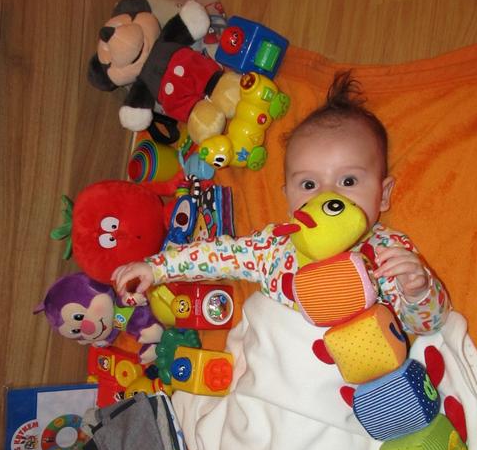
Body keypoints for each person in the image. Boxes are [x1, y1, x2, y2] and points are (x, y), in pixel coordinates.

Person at [112, 71, 450, 335]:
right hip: (275, 366)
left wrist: (418, 291)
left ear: (384, 194)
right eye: (308, 184)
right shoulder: (275, 245)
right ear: (288, 198)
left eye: (348, 181)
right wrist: (157, 268)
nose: (327, 197)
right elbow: (217, 255)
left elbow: (427, 326)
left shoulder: (387, 253)